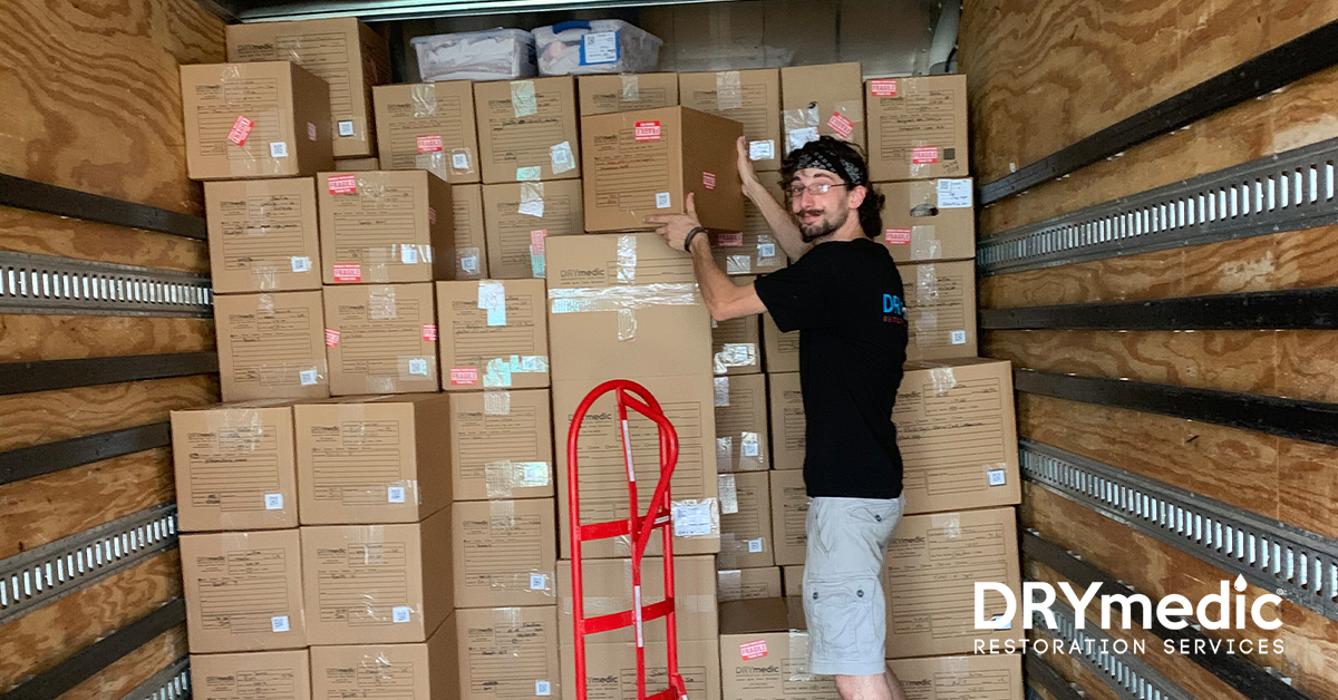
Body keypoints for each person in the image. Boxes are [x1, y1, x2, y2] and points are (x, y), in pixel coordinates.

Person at [646, 135, 910, 700]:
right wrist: (750, 187)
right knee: (862, 653)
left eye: (821, 186)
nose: (804, 200)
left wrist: (695, 240)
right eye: (797, 189)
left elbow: (722, 304)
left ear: (857, 196)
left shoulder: (836, 269)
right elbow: (807, 254)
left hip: (847, 498)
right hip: (872, 488)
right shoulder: (870, 263)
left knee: (854, 667)